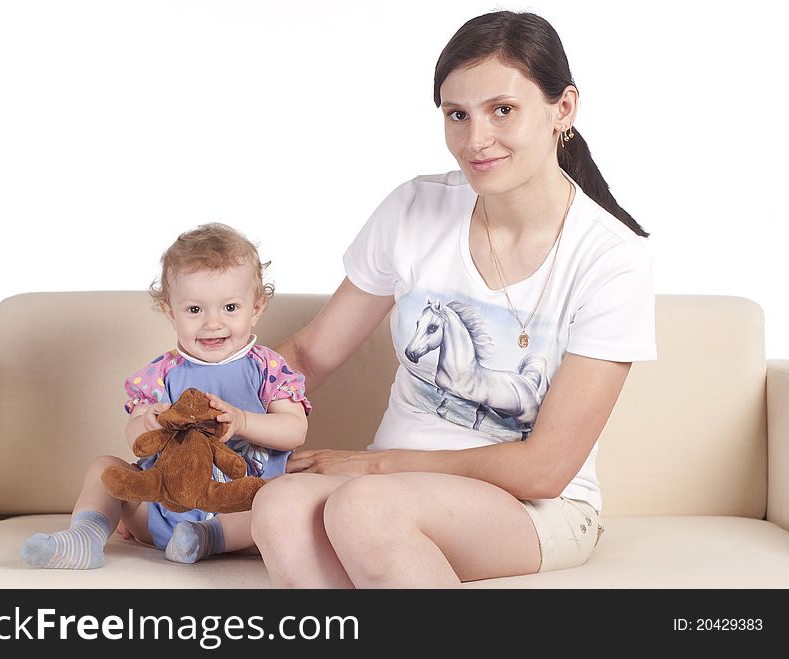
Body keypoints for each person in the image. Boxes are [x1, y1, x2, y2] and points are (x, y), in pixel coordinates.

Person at [249, 10, 657, 587]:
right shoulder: (413, 210)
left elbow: (543, 471)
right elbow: (311, 356)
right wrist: (205, 409)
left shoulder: (611, 257)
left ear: (562, 109)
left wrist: (380, 465)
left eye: (503, 110)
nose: (475, 140)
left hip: (535, 508)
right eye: (457, 115)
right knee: (280, 507)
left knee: (363, 508)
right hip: (388, 490)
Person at [21, 223, 310, 569]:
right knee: (103, 468)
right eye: (194, 310)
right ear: (171, 313)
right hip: (161, 504)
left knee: (276, 503)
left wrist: (244, 421)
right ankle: (86, 536)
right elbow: (134, 438)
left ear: (257, 308)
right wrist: (148, 422)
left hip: (236, 505)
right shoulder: (161, 372)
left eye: (230, 308)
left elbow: (295, 429)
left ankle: (206, 539)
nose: (212, 323)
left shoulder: (267, 367)